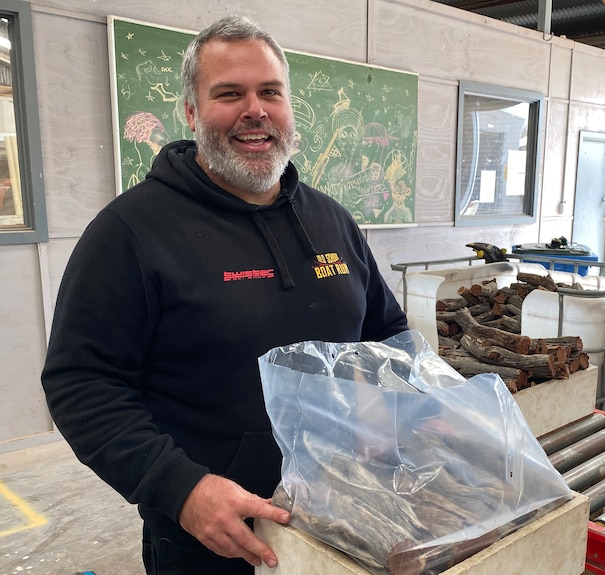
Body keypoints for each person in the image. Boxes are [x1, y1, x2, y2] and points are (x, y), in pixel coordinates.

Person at [41, 14, 408, 575]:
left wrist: (430, 406)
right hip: (214, 540)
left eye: (270, 92)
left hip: (347, 515)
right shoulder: (131, 232)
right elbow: (81, 383)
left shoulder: (331, 219)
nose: (254, 110)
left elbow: (385, 332)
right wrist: (181, 490)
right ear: (191, 112)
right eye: (229, 94)